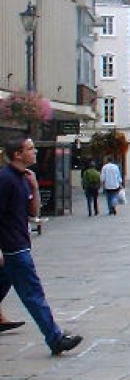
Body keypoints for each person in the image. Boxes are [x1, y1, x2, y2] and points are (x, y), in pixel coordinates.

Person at [0, 135, 82, 354]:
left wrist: (34, 187)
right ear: (17, 154)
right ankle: (55, 339)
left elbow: (34, 213)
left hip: (18, 245)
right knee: (33, 295)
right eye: (30, 148)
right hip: (13, 249)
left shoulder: (24, 178)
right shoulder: (5, 179)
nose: (35, 152)